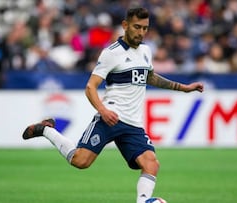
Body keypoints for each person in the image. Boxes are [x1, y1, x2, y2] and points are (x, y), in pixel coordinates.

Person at [22, 7, 204, 203]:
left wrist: (183, 88)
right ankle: (46, 130)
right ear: (125, 25)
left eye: (145, 28)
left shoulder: (145, 51)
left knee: (151, 164)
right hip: (111, 117)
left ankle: (143, 201)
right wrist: (103, 110)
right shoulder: (111, 53)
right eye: (137, 27)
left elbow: (149, 77)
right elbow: (90, 87)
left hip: (133, 123)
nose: (141, 32)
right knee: (80, 161)